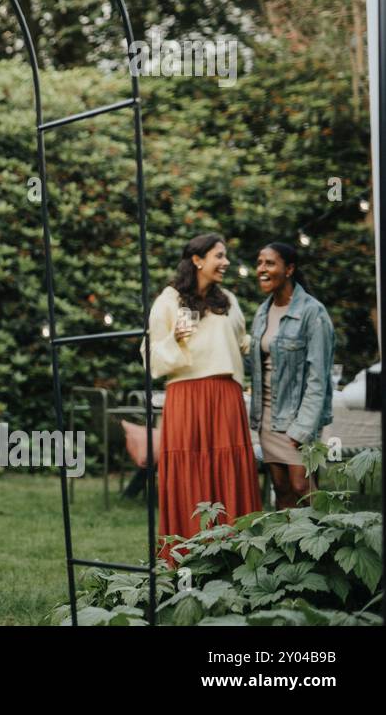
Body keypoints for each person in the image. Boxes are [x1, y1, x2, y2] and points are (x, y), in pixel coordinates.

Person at [147, 232, 260, 557]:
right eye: (219, 256)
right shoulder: (169, 300)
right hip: (186, 395)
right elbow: (151, 352)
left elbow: (243, 342)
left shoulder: (228, 300)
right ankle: (188, 551)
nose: (225, 262)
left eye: (225, 256)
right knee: (189, 464)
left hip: (225, 394)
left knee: (227, 462)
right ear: (198, 260)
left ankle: (234, 552)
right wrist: (175, 338)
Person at [248, 242, 336, 508]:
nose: (262, 269)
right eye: (259, 263)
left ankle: (327, 544)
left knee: (302, 487)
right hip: (267, 417)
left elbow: (318, 378)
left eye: (270, 263)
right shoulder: (262, 312)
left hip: (298, 419)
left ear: (289, 269)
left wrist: (303, 428)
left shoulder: (313, 312)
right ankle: (290, 549)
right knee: (282, 488)